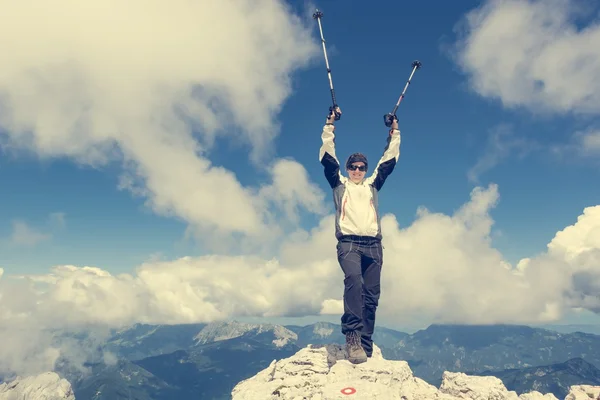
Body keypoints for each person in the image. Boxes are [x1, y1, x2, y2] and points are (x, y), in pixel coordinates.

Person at [318, 106, 401, 364]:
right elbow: (327, 159)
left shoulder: (372, 184)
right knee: (353, 279)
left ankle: (366, 342)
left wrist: (395, 132)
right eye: (353, 166)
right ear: (347, 168)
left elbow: (389, 161)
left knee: (372, 294)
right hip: (349, 243)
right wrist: (329, 126)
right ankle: (352, 337)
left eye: (361, 167)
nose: (357, 170)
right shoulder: (339, 185)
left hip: (374, 245)